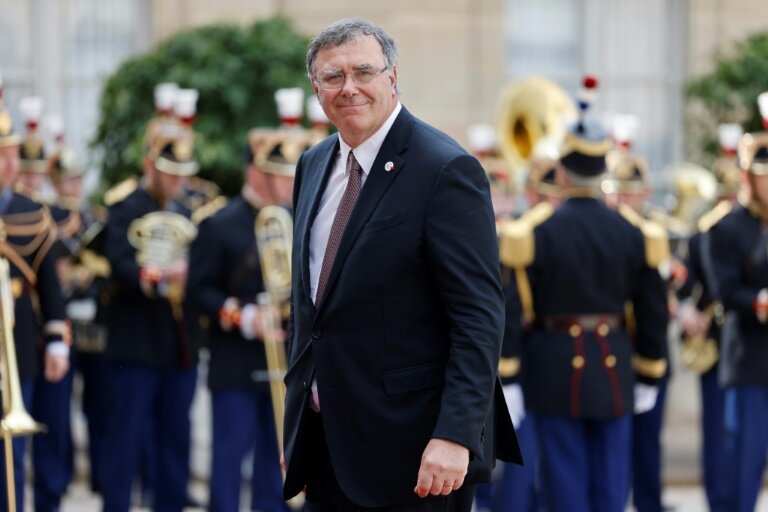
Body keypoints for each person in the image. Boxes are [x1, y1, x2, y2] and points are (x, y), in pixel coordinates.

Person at [282, 17, 521, 512]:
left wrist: (456, 435)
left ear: (392, 78)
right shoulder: (312, 164)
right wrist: (297, 431)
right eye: (333, 77)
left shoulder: (445, 169)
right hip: (326, 448)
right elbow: (312, 310)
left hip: (418, 456)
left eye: (363, 72)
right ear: (316, 87)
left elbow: (478, 317)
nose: (349, 88)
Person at [499, 76, 669, 512]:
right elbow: (651, 309)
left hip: (551, 366)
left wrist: (511, 375)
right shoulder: (636, 233)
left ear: (561, 168)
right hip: (615, 366)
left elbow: (513, 310)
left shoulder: (532, 232)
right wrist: (650, 370)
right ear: (605, 166)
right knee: (612, 485)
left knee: (564, 484)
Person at [186, 110, 313, 512]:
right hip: (236, 360)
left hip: (285, 359)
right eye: (280, 173)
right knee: (228, 457)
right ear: (256, 171)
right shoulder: (219, 224)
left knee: (276, 462)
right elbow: (197, 290)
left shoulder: (298, 219)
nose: (290, 182)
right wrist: (242, 316)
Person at [101, 90, 200, 512]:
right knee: (124, 440)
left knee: (176, 440)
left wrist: (190, 273)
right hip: (134, 343)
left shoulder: (193, 207)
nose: (178, 180)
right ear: (149, 165)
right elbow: (120, 264)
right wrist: (158, 276)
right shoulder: (125, 207)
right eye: (169, 171)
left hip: (179, 345)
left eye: (181, 173)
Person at [0, 81, 70, 512]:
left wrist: (58, 337)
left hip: (19, 344)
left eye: (10, 153)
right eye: (1, 153)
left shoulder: (31, 211)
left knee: (12, 457)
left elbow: (49, 283)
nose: (8, 163)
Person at [674, 123, 741, 512]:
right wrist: (685, 312)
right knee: (717, 430)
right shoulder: (704, 234)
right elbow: (684, 288)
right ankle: (719, 501)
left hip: (752, 340)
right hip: (715, 342)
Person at [705, 102, 768, 511]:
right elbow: (723, 291)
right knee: (742, 466)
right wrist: (760, 301)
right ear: (748, 177)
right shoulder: (726, 227)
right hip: (749, 359)